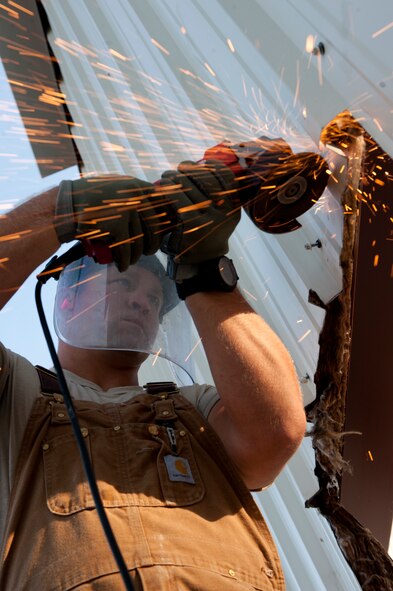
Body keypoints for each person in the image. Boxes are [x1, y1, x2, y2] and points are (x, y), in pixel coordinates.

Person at [0, 157, 306, 590]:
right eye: (123, 284)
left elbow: (274, 434)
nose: (145, 303)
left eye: (155, 300)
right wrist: (61, 209)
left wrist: (201, 268)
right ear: (67, 301)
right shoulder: (15, 392)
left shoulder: (191, 408)